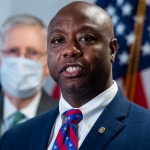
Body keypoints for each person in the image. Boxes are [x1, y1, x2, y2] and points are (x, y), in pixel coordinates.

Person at [0, 1, 150, 150]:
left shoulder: (146, 131)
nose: (69, 50)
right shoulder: (13, 139)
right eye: (58, 40)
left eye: (85, 38)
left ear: (112, 49)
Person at [0, 14, 58, 136]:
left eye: (32, 52)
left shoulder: (63, 118)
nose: (22, 60)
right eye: (13, 51)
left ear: (48, 63)